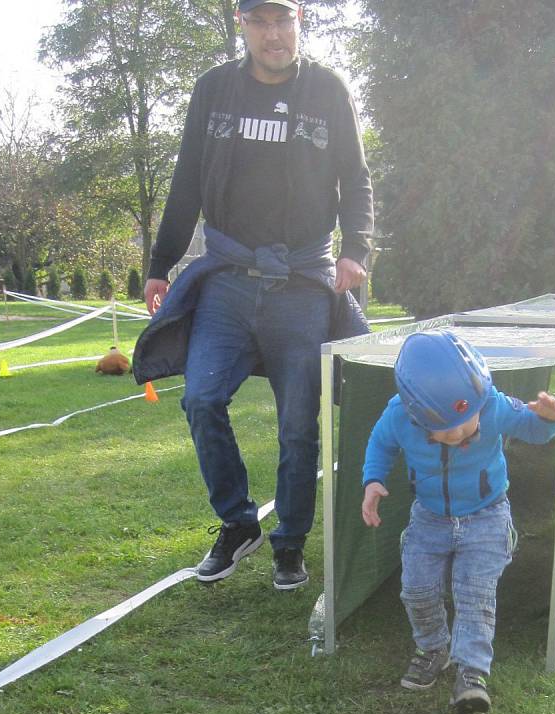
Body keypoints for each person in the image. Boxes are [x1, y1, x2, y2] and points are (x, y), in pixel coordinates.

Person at [133, 0, 373, 591]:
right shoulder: (214, 89)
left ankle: (289, 543)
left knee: (298, 423)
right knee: (201, 398)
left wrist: (357, 250)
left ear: (299, 22)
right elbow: (187, 176)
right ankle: (238, 523)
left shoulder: (328, 90)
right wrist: (161, 264)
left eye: (283, 20)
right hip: (229, 278)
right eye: (260, 21)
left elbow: (357, 178)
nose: (273, 34)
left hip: (301, 284)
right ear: (241, 24)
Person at [361, 331, 555, 712]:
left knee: (474, 594)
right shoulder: (398, 415)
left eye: (466, 421)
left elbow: (532, 430)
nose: (459, 434)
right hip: (429, 517)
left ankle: (472, 673)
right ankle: (433, 648)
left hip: (487, 515)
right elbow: (380, 444)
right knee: (416, 589)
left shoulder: (492, 404)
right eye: (446, 429)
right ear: (415, 414)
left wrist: (550, 420)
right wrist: (373, 481)